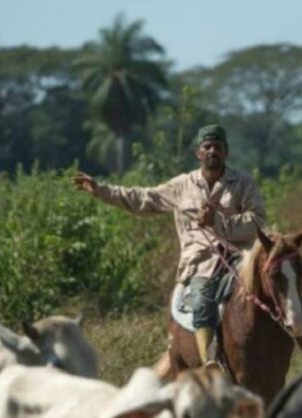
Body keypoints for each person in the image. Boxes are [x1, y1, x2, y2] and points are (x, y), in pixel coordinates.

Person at [72, 124, 264, 366]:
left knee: (279, 281)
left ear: (226, 152)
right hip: (202, 262)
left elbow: (257, 221)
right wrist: (101, 190)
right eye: (207, 147)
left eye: (217, 146)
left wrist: (219, 223)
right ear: (198, 153)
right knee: (203, 300)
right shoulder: (181, 186)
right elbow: (142, 198)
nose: (212, 151)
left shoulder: (243, 183)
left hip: (241, 256)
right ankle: (210, 363)